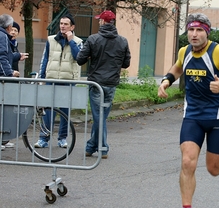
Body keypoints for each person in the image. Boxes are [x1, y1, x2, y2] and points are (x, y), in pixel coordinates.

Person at [157, 13, 219, 208]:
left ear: (207, 32)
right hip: (193, 116)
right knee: (187, 161)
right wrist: (166, 81)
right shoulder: (184, 51)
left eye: (199, 30)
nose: (194, 34)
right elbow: (178, 67)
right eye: (191, 30)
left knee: (212, 169)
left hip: (217, 117)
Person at [77, 10, 131, 159]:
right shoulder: (123, 41)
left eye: (100, 20)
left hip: (96, 83)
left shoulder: (93, 39)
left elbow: (80, 59)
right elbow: (126, 63)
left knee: (98, 117)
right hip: (111, 83)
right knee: (101, 117)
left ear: (102, 22)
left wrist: (90, 55)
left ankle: (101, 148)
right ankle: (92, 146)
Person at [34, 14, 82, 149]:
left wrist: (71, 40)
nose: (62, 26)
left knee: (65, 111)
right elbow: (45, 59)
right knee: (48, 110)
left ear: (72, 27)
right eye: (61, 23)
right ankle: (44, 138)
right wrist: (41, 78)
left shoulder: (78, 41)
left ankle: (62, 138)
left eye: (66, 24)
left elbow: (78, 57)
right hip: (51, 79)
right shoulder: (51, 40)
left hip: (68, 80)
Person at [0, 14, 25, 150]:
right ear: (9, 26)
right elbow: (2, 56)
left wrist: (17, 56)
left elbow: (7, 55)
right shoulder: (3, 36)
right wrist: (9, 73)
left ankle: (3, 139)